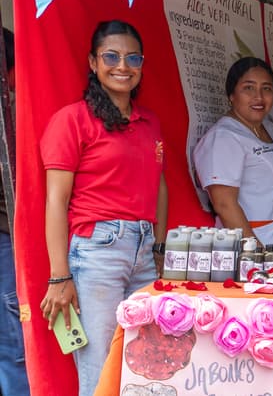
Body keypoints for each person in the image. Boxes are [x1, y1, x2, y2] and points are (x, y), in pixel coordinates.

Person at [39, 20, 167, 396]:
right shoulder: (72, 120)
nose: (122, 66)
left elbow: (159, 186)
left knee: (148, 360)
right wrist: (59, 276)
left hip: (144, 252)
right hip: (96, 254)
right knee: (100, 368)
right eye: (111, 56)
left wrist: (158, 247)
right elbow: (55, 200)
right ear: (93, 62)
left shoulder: (150, 122)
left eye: (132, 57)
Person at [193, 57, 273, 248]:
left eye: (266, 88)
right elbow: (224, 205)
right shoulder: (223, 137)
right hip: (255, 251)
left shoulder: (271, 128)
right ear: (232, 94)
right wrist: (256, 254)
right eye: (248, 88)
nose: (259, 97)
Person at [0, 27, 30, 395]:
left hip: (10, 237)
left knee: (11, 348)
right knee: (11, 349)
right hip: (7, 239)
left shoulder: (16, 113)